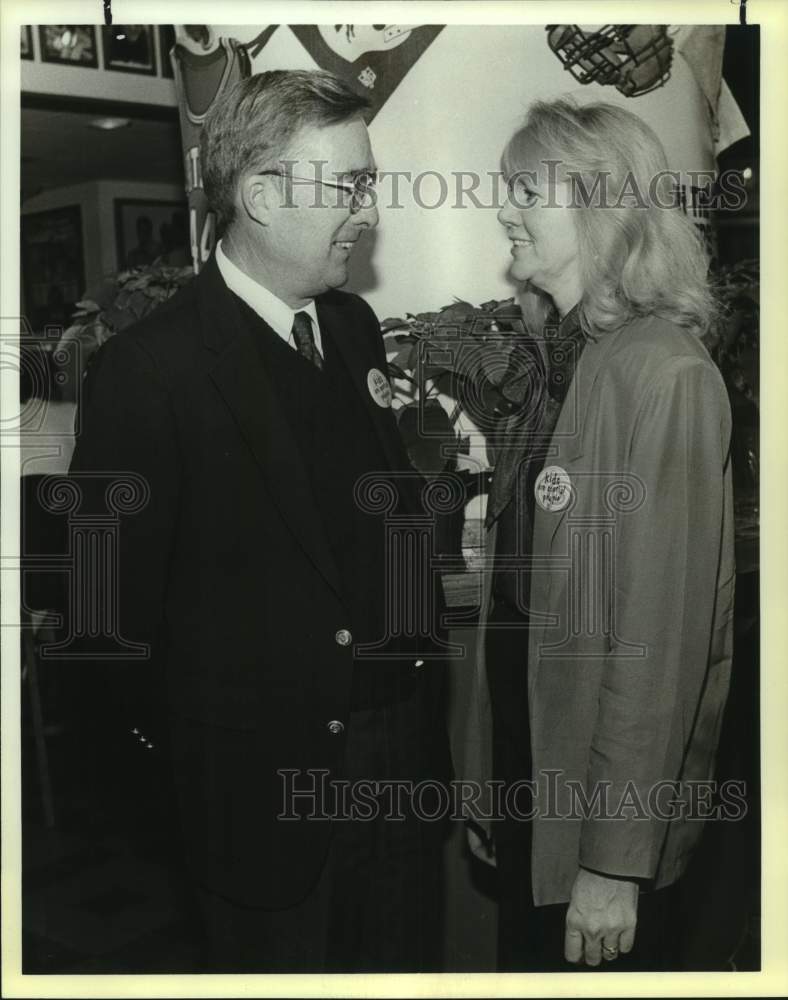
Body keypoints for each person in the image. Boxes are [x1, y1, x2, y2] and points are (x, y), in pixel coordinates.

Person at [67, 70, 450, 973]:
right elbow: (102, 628)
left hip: (398, 768)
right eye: (349, 185)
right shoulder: (146, 372)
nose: (369, 210)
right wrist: (204, 773)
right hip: (263, 803)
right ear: (262, 194)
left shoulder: (352, 326)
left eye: (370, 183)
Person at [465, 98, 734, 971]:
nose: (503, 208)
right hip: (530, 778)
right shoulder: (561, 360)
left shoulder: (666, 375)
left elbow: (658, 647)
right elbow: (516, 603)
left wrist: (614, 863)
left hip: (599, 817)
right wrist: (487, 786)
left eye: (524, 189)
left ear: (601, 204)